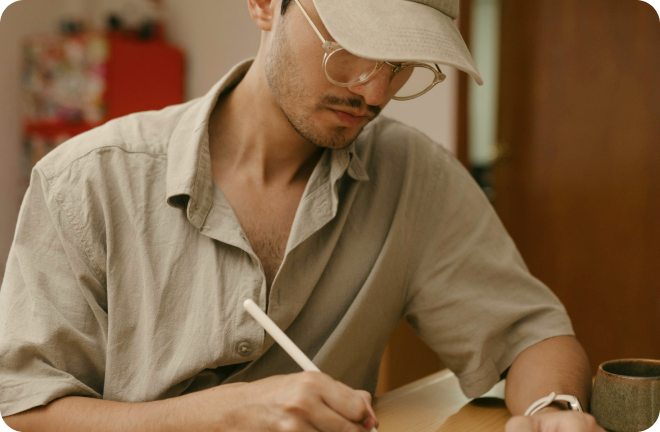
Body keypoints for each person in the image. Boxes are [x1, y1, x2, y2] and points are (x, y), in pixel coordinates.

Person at [1, 0, 604, 431]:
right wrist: (217, 418)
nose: (373, 91)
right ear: (265, 5)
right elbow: (25, 407)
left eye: (401, 64)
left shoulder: (413, 175)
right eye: (351, 49)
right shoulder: (88, 179)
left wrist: (556, 412)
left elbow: (531, 335)